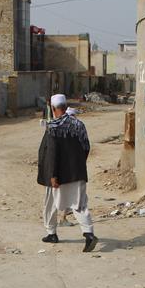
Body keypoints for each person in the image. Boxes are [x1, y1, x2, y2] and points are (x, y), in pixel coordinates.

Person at [37, 94, 98, 252]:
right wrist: (78, 165)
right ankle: (89, 234)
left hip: (57, 175)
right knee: (79, 205)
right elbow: (86, 147)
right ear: (65, 106)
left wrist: (53, 175)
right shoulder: (79, 124)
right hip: (77, 172)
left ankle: (51, 233)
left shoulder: (53, 127)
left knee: (50, 203)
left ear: (53, 108)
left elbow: (52, 153)